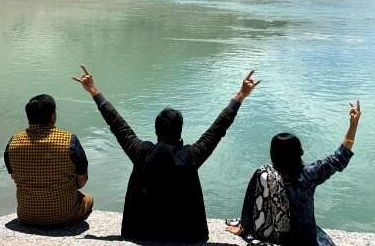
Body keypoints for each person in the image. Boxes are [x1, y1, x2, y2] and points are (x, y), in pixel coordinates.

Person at [72, 65, 260, 242]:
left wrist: (93, 90)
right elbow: (218, 128)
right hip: (187, 234)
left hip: (140, 232)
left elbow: (117, 123)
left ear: (156, 130)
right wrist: (240, 96)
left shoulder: (141, 152)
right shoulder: (191, 156)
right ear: (180, 131)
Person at [226, 101, 362, 246]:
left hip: (274, 238)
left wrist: (243, 229)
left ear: (273, 154)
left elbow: (250, 205)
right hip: (305, 240)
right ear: (300, 153)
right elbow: (339, 157)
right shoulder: (309, 175)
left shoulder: (264, 174)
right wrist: (354, 124)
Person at [4, 94, 93, 227]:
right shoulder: (69, 140)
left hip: (26, 216)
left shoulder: (13, 142)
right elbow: (82, 180)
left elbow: (15, 177)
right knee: (88, 199)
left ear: (29, 117)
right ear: (53, 116)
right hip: (63, 216)